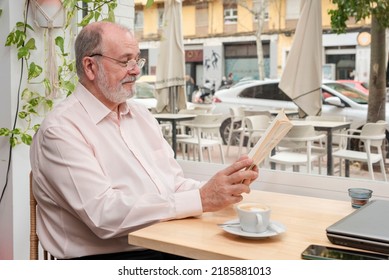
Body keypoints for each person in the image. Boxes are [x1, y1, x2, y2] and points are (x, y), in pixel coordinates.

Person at [29, 21, 259, 260]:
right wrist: (201, 199)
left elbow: (173, 184)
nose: (136, 70)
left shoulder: (141, 116)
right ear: (90, 67)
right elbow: (103, 216)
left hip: (162, 242)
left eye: (137, 60)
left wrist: (222, 188)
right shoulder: (61, 130)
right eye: (125, 61)